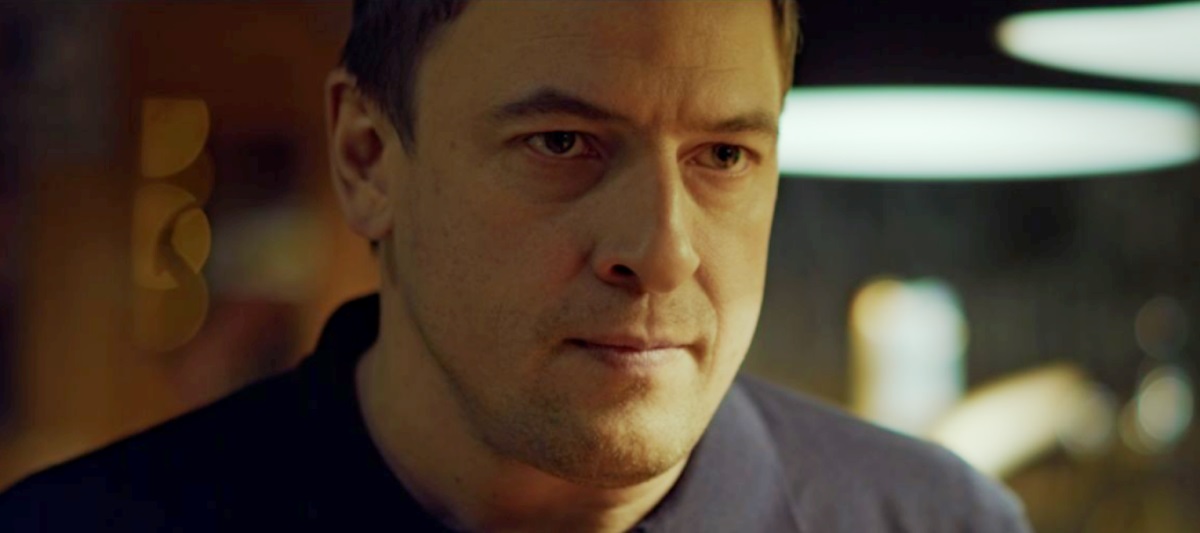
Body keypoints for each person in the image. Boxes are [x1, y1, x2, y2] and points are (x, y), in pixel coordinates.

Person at [1, 1, 1032, 531]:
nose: (663, 252)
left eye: (724, 156)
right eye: (562, 143)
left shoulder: (940, 524)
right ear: (367, 157)